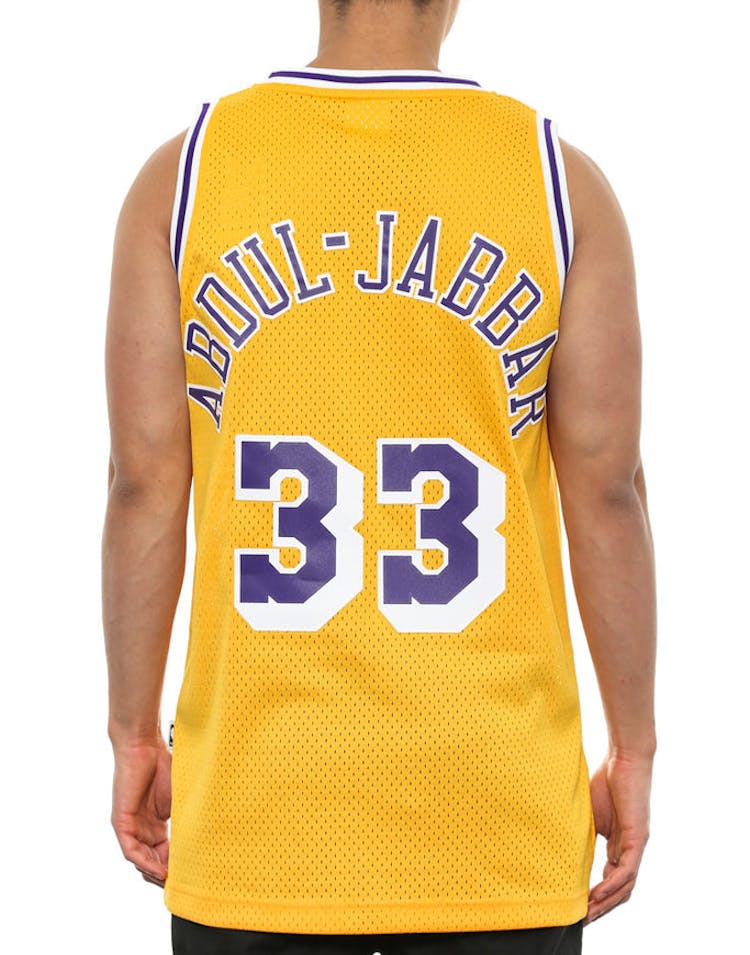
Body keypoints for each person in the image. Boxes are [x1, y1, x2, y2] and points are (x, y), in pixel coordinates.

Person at [102, 1, 657, 953]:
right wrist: (633, 745)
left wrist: (132, 732)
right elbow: (608, 493)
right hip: (497, 825)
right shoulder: (557, 180)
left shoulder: (185, 176)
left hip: (256, 822)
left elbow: (143, 484)